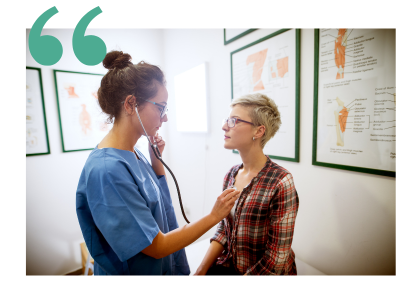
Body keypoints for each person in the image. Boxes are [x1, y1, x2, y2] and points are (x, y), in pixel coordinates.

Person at [75, 50, 240, 275]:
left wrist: (156, 161)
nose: (165, 118)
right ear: (131, 104)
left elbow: (160, 206)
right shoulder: (107, 171)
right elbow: (156, 246)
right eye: (160, 108)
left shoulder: (135, 152)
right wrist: (214, 216)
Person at [195, 93, 300, 275]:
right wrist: (200, 272)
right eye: (227, 120)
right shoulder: (231, 175)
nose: (223, 126)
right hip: (231, 265)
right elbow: (224, 229)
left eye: (234, 121)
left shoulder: (281, 182)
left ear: (258, 131)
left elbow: (276, 258)